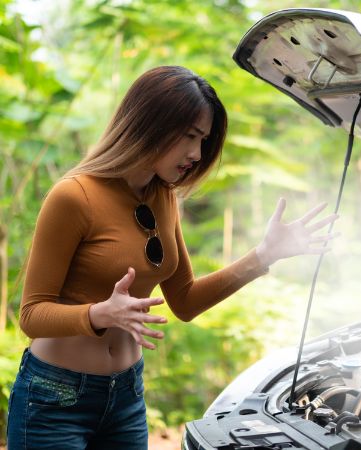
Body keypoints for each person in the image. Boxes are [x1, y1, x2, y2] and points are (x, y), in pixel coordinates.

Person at [6, 65, 337, 450]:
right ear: (150, 123)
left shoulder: (163, 197)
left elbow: (185, 301)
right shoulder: (73, 196)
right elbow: (31, 315)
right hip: (55, 399)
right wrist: (99, 314)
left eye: (204, 140)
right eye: (189, 136)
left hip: (125, 397)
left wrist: (264, 255)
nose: (196, 154)